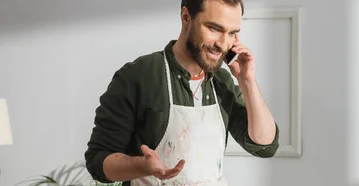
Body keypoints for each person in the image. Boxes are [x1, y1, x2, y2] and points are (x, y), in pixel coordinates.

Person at [84, 0, 280, 185]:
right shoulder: (138, 76)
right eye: (214, 28)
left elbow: (264, 145)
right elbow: (98, 161)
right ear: (186, 17)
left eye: (232, 33)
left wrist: (247, 81)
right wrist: (143, 166)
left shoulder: (222, 82)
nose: (223, 44)